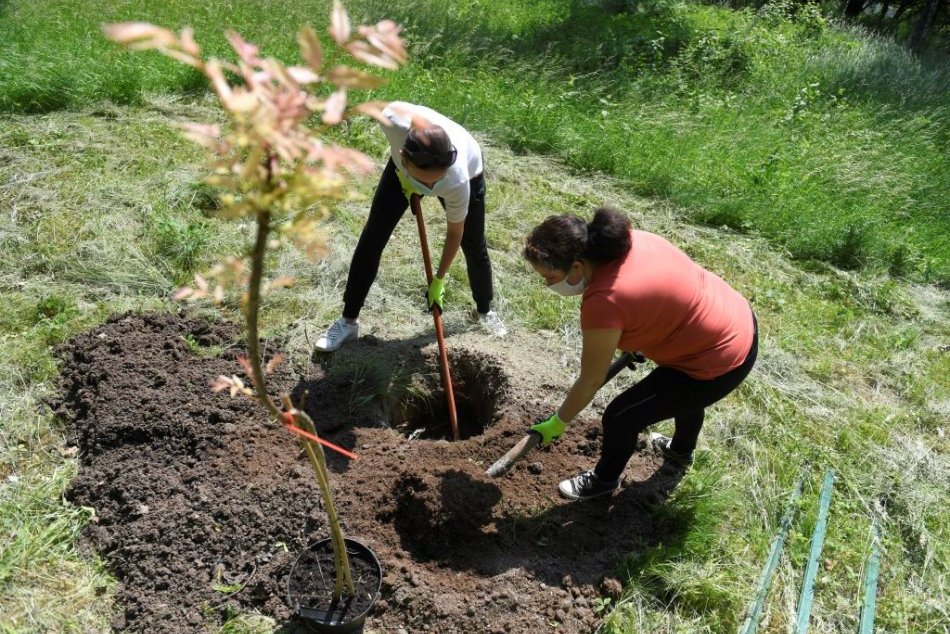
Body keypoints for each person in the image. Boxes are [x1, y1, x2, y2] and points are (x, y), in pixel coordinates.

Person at [523, 207, 758, 500]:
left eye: (550, 276)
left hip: (717, 359)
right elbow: (659, 297)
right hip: (735, 319)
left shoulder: (604, 302)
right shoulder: (632, 241)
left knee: (621, 416)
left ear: (578, 266)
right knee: (680, 396)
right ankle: (681, 452)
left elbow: (590, 379)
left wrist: (559, 421)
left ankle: (603, 481)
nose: (548, 285)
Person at [315, 102, 507, 351]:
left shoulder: (457, 179)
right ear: (403, 156)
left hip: (463, 170)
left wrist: (439, 278)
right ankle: (348, 321)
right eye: (423, 180)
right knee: (373, 238)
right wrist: (407, 179)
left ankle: (484, 311)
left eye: (434, 180)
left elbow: (454, 231)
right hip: (400, 174)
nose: (428, 186)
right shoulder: (393, 123)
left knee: (473, 244)